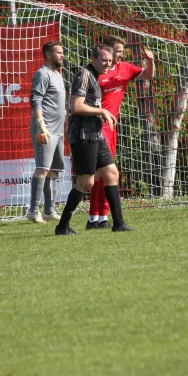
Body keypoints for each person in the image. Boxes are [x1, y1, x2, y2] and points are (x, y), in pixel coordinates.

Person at [55, 44, 133, 235]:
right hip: (84, 136)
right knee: (86, 182)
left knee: (112, 173)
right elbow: (77, 106)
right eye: (104, 60)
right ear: (94, 59)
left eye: (110, 60)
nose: (108, 64)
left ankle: (118, 224)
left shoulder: (96, 78)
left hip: (96, 135)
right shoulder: (84, 75)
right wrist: (102, 111)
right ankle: (62, 226)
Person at [86, 36, 155, 229]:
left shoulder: (125, 68)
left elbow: (148, 76)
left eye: (122, 52)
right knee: (104, 173)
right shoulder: (95, 73)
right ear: (107, 52)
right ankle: (97, 217)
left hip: (111, 127)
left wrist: (150, 62)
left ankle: (99, 217)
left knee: (104, 174)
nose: (121, 56)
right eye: (118, 52)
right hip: (97, 128)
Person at [27, 41, 66, 223]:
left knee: (54, 171)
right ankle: (33, 211)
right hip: (46, 129)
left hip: (58, 131)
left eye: (62, 52)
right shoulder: (42, 74)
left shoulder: (58, 75)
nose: (62, 55)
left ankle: (49, 210)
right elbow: (36, 101)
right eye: (58, 52)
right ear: (49, 54)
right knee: (42, 169)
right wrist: (41, 125)